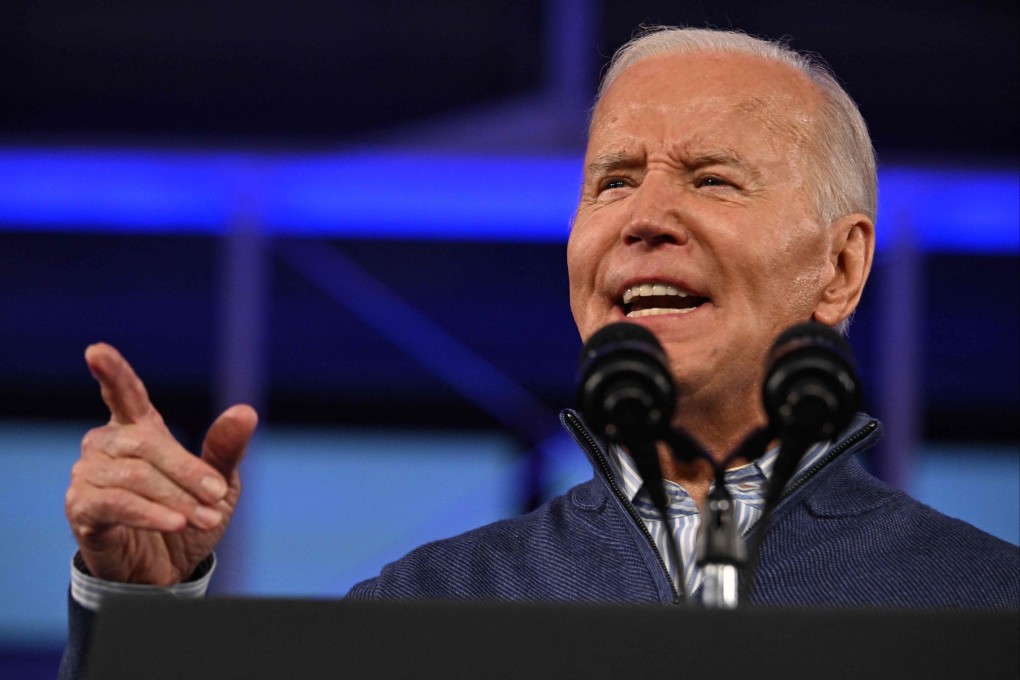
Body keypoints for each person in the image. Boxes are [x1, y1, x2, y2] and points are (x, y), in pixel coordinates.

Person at [59, 26, 1019, 679]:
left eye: (711, 180)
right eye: (613, 182)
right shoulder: (420, 613)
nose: (644, 218)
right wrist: (139, 616)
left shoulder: (988, 611)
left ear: (840, 268)